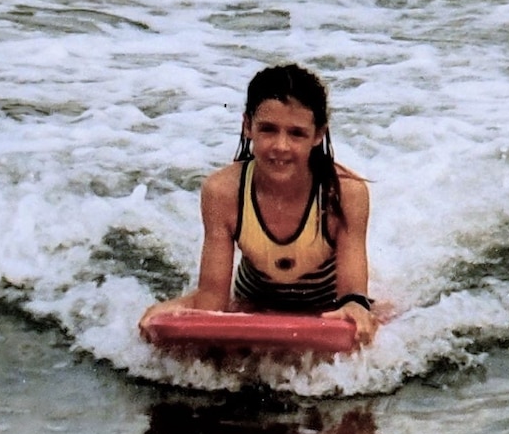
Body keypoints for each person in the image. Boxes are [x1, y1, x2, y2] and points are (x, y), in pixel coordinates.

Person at [140, 63, 377, 344]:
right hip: (252, 304)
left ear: (318, 135)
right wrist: (168, 313)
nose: (281, 146)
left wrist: (356, 311)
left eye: (296, 133)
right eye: (268, 129)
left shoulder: (346, 193)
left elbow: (352, 297)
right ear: (247, 126)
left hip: (323, 310)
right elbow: (212, 300)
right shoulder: (222, 192)